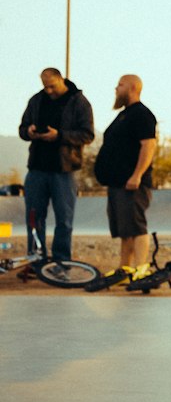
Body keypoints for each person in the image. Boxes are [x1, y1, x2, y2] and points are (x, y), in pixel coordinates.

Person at [18, 67, 95, 267]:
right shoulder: (36, 100)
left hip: (64, 170)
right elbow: (22, 129)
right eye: (45, 87)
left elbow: (87, 134)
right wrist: (30, 131)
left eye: (52, 86)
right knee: (34, 218)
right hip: (36, 168)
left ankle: (61, 261)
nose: (49, 91)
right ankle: (37, 260)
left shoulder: (79, 102)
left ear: (61, 80)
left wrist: (59, 136)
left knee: (64, 219)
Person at [86, 74, 158, 289]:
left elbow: (148, 146)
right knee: (124, 229)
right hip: (117, 183)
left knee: (136, 226)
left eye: (120, 85)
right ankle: (124, 268)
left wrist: (137, 175)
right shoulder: (124, 115)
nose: (116, 88)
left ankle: (141, 268)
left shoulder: (142, 114)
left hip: (132, 183)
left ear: (133, 87)